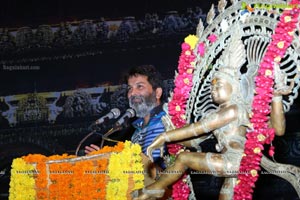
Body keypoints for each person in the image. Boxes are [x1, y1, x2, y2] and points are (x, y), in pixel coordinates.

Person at [133, 34, 290, 200]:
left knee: (184, 158)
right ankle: (155, 188)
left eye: (219, 85)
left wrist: (277, 98)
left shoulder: (233, 110)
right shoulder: (219, 115)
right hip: (230, 165)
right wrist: (172, 131)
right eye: (212, 87)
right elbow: (194, 141)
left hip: (235, 161)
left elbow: (277, 130)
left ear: (234, 87)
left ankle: (155, 189)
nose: (214, 90)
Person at [85, 64, 169, 182]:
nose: (132, 93)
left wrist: (113, 161)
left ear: (157, 93)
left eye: (139, 86)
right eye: (130, 88)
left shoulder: (170, 122)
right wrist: (105, 160)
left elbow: (166, 174)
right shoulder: (136, 130)